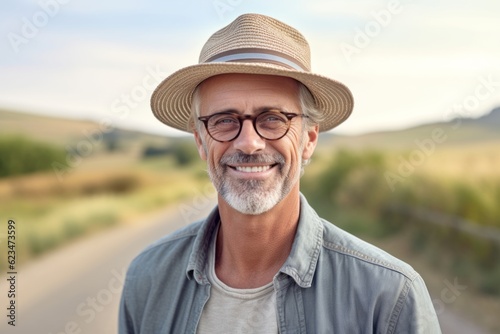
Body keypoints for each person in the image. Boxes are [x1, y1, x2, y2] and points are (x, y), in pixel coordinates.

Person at [119, 13, 441, 333]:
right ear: (201, 142)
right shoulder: (147, 278)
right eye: (223, 120)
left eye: (273, 118)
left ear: (308, 139)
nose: (249, 143)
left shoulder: (388, 296)